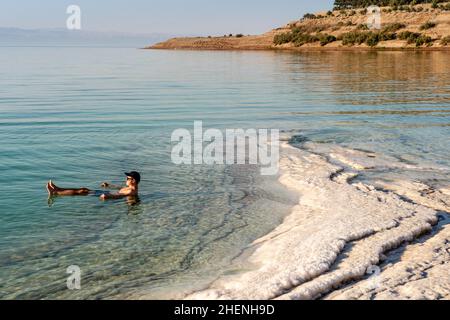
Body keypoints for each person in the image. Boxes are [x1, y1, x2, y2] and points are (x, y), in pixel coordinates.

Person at [46, 171, 141, 201]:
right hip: (107, 192)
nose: (126, 179)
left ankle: (56, 192)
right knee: (84, 189)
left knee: (83, 191)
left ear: (133, 180)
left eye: (128, 178)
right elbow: (119, 189)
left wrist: (108, 196)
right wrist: (109, 185)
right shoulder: (130, 188)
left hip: (106, 195)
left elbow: (120, 195)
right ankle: (57, 189)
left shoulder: (131, 191)